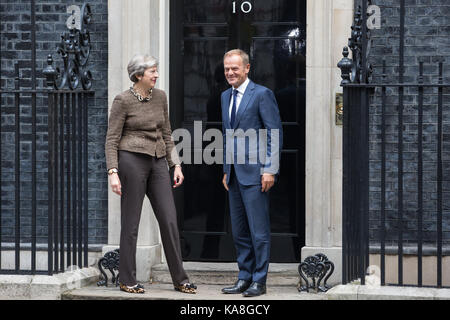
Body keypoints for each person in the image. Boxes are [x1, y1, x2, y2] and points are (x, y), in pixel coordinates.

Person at [105, 54, 197, 294]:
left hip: (157, 161)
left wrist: (175, 164)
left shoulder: (160, 97)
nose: (156, 75)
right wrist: (112, 171)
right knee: (131, 222)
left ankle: (180, 278)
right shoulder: (122, 100)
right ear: (138, 75)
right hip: (131, 160)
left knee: (168, 219)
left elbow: (167, 133)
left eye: (156, 71)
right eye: (152, 72)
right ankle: (127, 278)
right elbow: (112, 139)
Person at [220, 49, 283, 297]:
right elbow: (228, 136)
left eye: (234, 68)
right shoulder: (225, 96)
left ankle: (260, 280)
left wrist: (270, 169)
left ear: (247, 68)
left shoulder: (262, 94)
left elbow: (274, 134)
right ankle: (244, 277)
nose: (230, 73)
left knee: (259, 231)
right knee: (240, 231)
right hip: (234, 175)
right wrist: (226, 170)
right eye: (226, 68)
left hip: (257, 173)